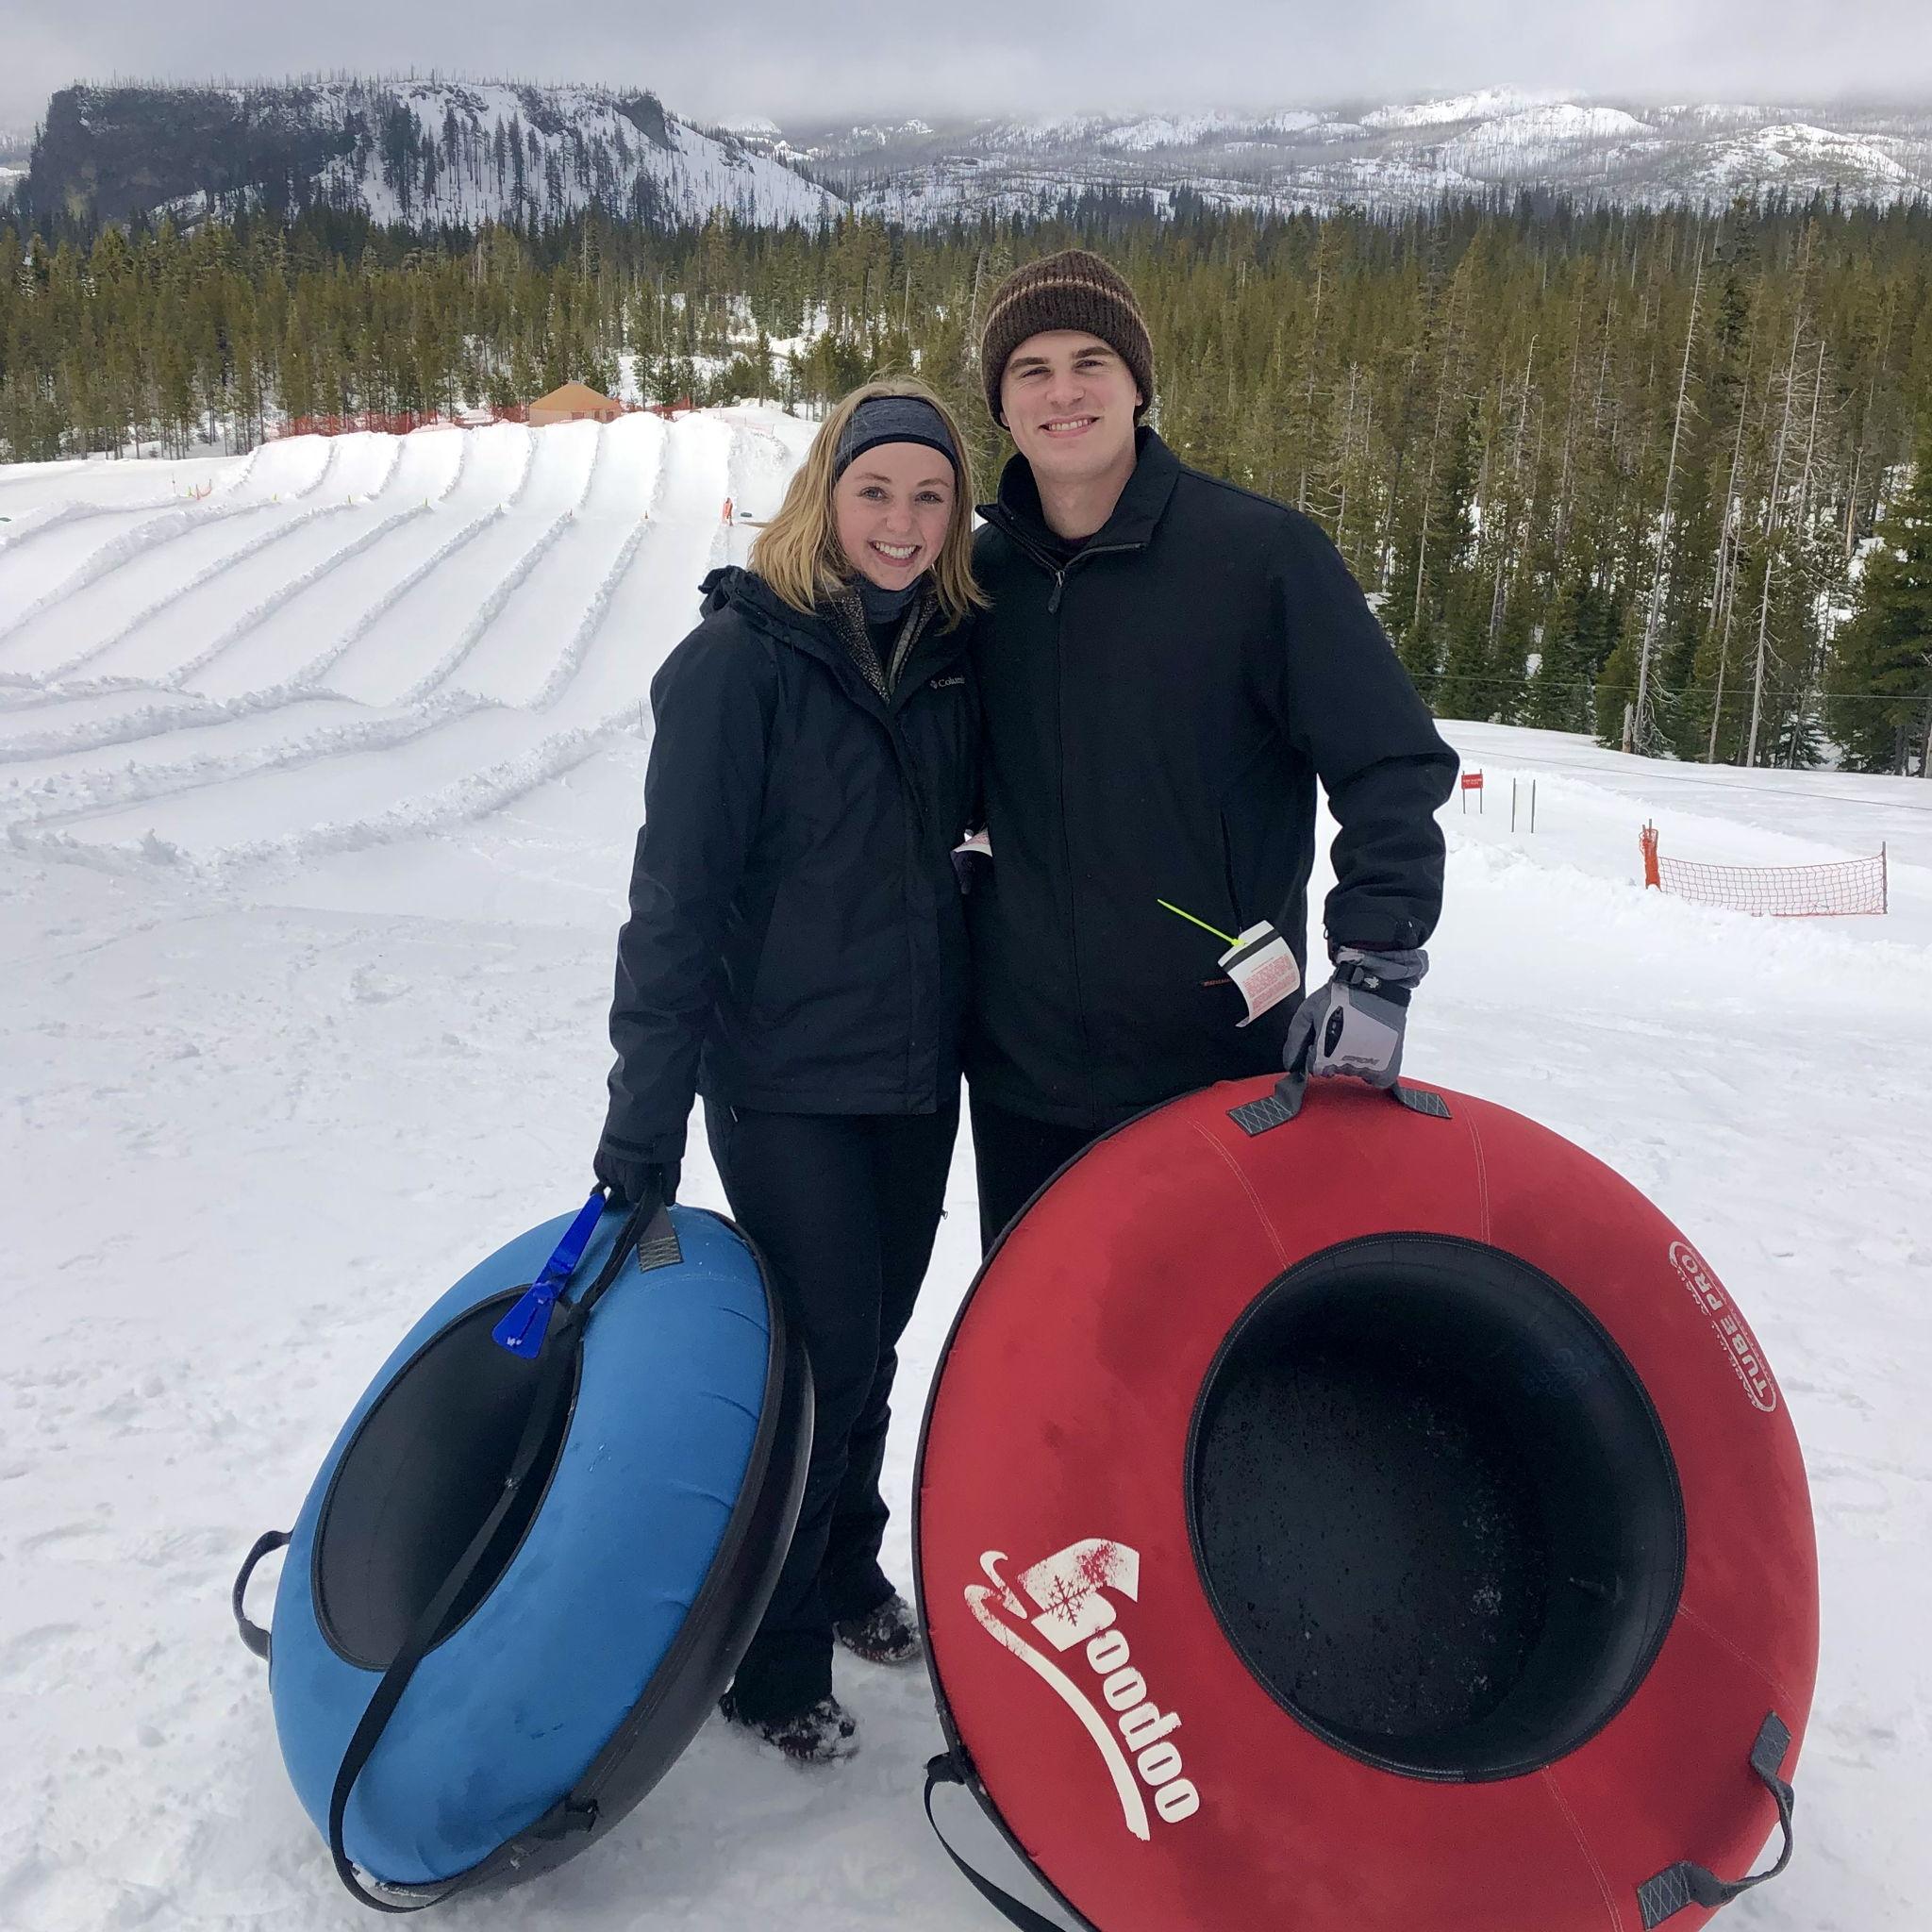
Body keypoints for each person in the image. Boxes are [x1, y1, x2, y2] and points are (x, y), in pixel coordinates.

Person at [592, 380, 985, 1763]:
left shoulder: (948, 659)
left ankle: (842, 1563)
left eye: (931, 497)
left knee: (873, 1338)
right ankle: (768, 1654)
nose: (903, 521)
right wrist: (641, 1130)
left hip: (908, 1074)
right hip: (781, 1078)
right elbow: (675, 908)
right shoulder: (739, 666)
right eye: (877, 492)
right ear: (825, 496)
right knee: (815, 1358)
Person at [966, 249, 1459, 1247]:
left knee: (1206, 1359)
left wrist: (1372, 965)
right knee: (1047, 1361)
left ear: (1137, 383)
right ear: (1001, 405)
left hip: (1216, 1064)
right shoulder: (975, 582)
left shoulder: (1259, 558)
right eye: (1031, 369)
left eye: (1089, 360)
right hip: (1021, 1078)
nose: (1062, 391)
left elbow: (1390, 762)